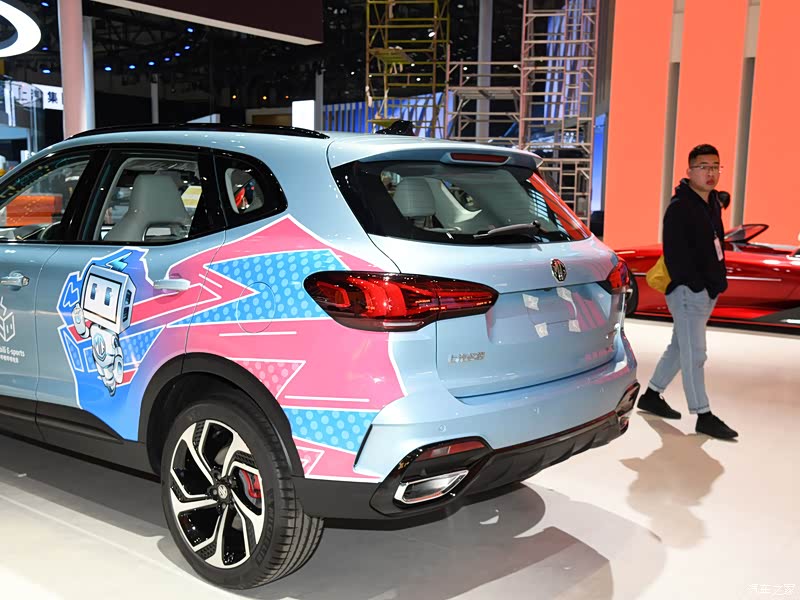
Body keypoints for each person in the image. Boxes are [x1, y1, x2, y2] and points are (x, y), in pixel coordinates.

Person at [637, 144, 738, 439]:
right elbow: (675, 254)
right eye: (703, 166)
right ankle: (703, 414)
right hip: (687, 291)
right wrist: (695, 284)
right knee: (695, 353)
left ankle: (651, 395)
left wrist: (715, 282)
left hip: (706, 289)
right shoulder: (680, 207)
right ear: (690, 171)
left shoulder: (712, 203)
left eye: (715, 166)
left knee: (680, 347)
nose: (710, 172)